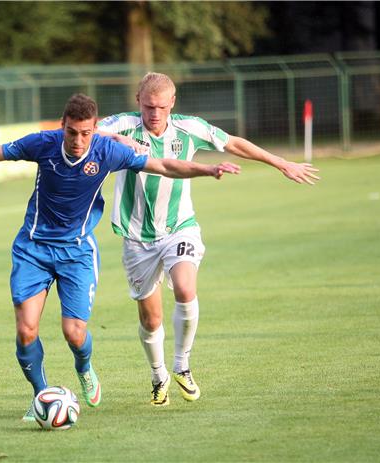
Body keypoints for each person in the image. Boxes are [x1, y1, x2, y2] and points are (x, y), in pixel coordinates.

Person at [0, 93, 241, 421]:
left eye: (85, 133)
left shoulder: (108, 150)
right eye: (71, 132)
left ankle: (84, 367)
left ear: (95, 130)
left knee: (74, 333)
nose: (78, 141)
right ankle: (41, 394)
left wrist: (206, 170)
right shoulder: (43, 144)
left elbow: (164, 164)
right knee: (26, 330)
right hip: (33, 248)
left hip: (76, 251)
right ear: (62, 125)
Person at [98, 73, 320, 406]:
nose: (154, 113)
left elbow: (233, 143)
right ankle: (159, 376)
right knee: (151, 318)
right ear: (138, 101)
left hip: (179, 227)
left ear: (173, 102)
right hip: (136, 236)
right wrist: (117, 141)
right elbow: (89, 132)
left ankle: (182, 365)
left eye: (161, 106)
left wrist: (279, 162)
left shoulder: (190, 128)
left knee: (186, 289)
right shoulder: (124, 125)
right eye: (148, 106)